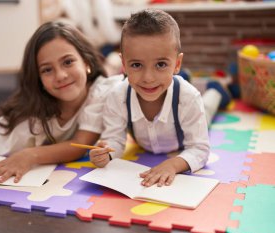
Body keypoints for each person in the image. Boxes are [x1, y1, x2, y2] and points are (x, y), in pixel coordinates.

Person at [0, 21, 122, 183]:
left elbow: (78, 145)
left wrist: (30, 155)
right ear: (38, 79)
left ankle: (114, 61)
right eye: (47, 70)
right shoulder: (33, 116)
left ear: (86, 61)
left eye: (67, 62)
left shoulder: (100, 92)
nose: (60, 75)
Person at [89, 9, 230, 187]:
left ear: (177, 63)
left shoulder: (188, 98)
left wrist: (172, 165)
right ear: (124, 65)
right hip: (172, 92)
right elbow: (114, 139)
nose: (148, 77)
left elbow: (200, 149)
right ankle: (183, 76)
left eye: (161, 64)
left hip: (187, 108)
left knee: (208, 108)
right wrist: (106, 153)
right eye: (137, 65)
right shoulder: (118, 96)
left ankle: (216, 90)